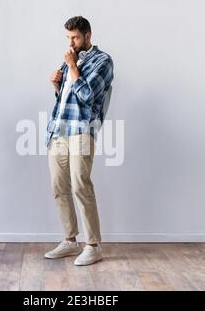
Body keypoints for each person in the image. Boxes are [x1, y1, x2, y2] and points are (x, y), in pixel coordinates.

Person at [45, 16, 114, 266]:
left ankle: (93, 245)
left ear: (88, 35)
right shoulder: (69, 61)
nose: (71, 43)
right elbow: (67, 98)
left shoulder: (102, 61)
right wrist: (56, 85)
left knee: (80, 185)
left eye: (75, 37)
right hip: (59, 130)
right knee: (58, 187)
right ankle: (70, 240)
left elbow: (86, 96)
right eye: (68, 38)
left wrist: (72, 67)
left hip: (82, 131)